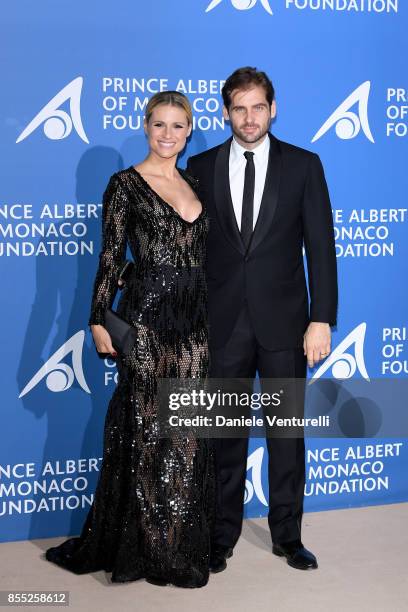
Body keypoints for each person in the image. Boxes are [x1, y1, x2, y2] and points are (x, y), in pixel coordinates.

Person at [45, 91, 215, 588]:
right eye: (159, 124)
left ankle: (177, 543)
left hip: (196, 321)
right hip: (147, 318)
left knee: (187, 432)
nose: (168, 134)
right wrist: (98, 319)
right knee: (145, 431)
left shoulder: (196, 182)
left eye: (178, 126)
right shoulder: (124, 184)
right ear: (146, 127)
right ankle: (143, 549)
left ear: (188, 131)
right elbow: (108, 256)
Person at [187, 67, 338, 572]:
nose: (249, 118)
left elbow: (321, 248)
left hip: (285, 325)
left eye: (257, 107)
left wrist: (322, 319)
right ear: (226, 112)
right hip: (222, 323)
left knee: (286, 436)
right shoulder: (201, 166)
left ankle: (288, 536)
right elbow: (188, 248)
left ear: (274, 108)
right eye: (238, 108)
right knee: (224, 436)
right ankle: (221, 533)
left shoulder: (303, 166)